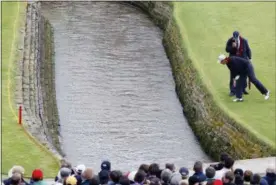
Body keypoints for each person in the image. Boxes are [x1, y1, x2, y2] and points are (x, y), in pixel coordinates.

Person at [225, 31, 252, 96]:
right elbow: (227, 49)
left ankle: (243, 89)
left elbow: (248, 50)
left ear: (239, 36)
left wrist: (250, 58)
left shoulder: (244, 41)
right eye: (234, 37)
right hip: (233, 62)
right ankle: (233, 90)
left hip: (243, 61)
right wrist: (232, 47)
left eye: (236, 37)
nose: (235, 39)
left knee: (244, 76)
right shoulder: (230, 40)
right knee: (233, 76)